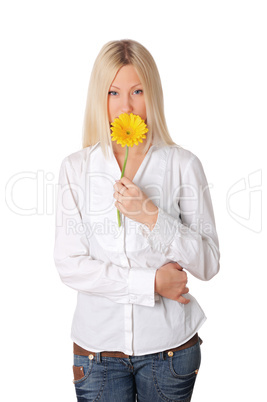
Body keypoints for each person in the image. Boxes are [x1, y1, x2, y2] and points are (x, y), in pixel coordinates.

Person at [54, 39, 220, 402]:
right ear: (100, 96)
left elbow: (208, 264)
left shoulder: (183, 164)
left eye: (137, 91)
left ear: (153, 94)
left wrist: (152, 216)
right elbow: (70, 266)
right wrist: (151, 284)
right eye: (113, 92)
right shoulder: (76, 169)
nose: (125, 106)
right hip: (97, 355)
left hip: (170, 350)